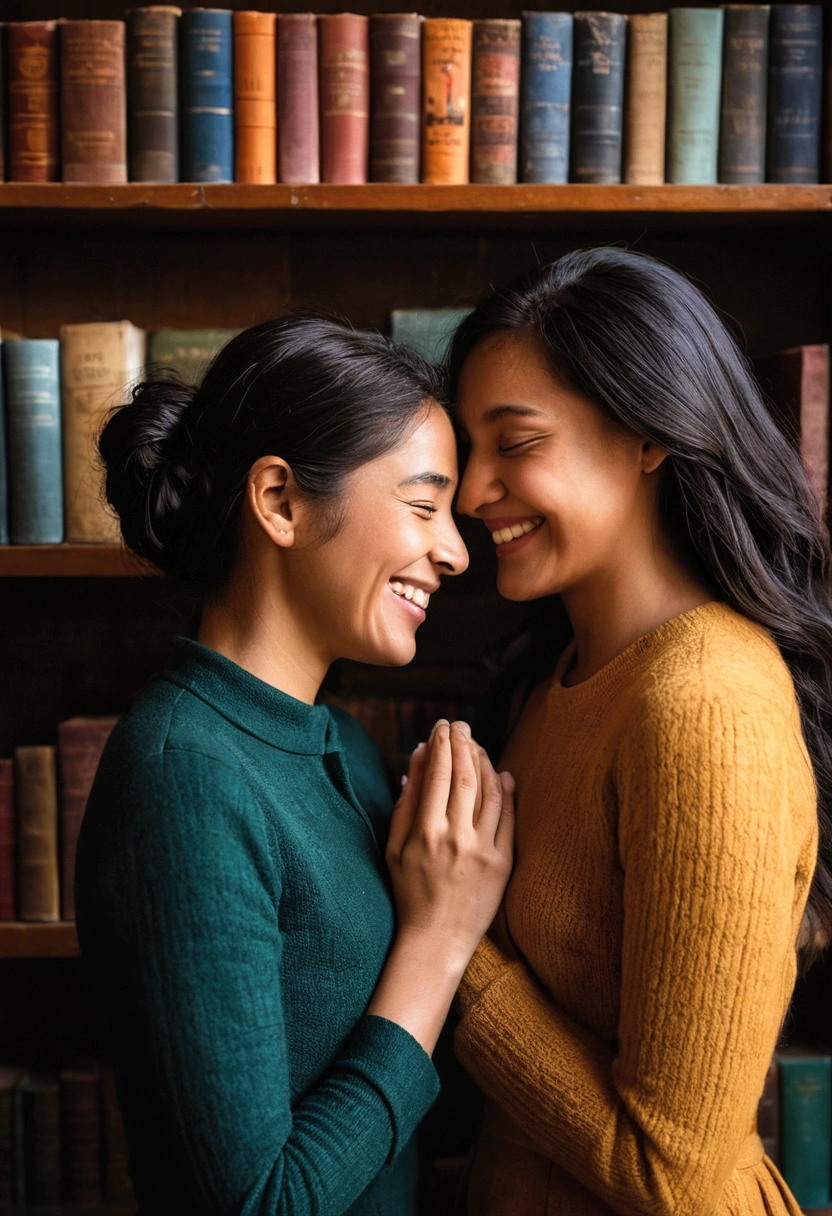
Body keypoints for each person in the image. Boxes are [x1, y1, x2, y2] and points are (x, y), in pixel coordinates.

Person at [75, 316, 515, 1216]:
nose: (457, 551)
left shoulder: (345, 748)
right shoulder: (182, 780)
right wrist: (438, 940)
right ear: (279, 500)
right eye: (425, 507)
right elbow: (258, 1204)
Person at [449, 247, 832, 1216]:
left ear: (646, 436)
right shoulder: (554, 682)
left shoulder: (705, 705)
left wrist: (444, 949)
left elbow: (676, 1172)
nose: (468, 492)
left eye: (515, 443)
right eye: (466, 450)